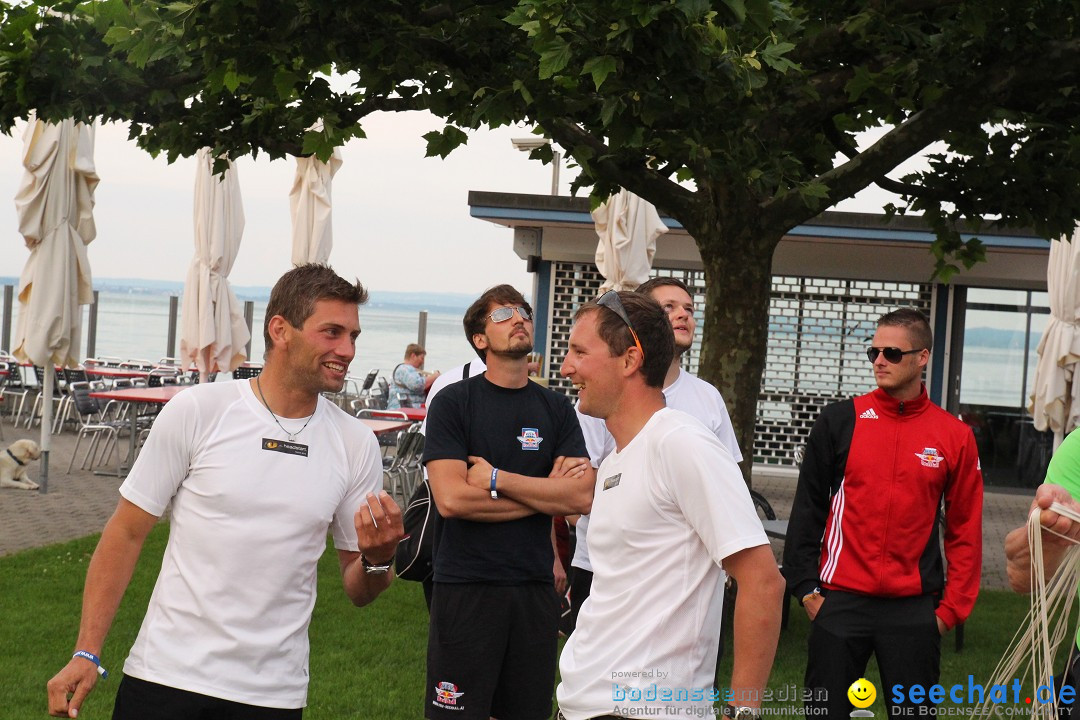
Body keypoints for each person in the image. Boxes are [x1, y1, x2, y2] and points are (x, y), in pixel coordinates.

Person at [46, 264, 404, 720]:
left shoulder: (356, 444)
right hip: (165, 678)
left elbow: (359, 588)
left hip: (272, 694)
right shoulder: (199, 411)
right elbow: (127, 532)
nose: (347, 350)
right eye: (331, 332)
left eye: (353, 335)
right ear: (281, 330)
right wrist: (87, 652)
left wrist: (377, 559)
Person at [556, 290, 783, 720]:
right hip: (583, 701)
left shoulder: (681, 442)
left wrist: (743, 712)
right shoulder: (617, 459)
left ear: (629, 360)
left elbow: (763, 582)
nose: (567, 367)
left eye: (579, 352)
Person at [783, 307, 983, 718]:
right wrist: (805, 589)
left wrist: (950, 612)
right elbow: (807, 511)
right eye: (873, 351)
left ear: (922, 358)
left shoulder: (954, 436)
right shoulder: (840, 420)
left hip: (913, 611)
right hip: (838, 603)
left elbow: (965, 529)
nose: (879, 361)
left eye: (892, 353)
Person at [422, 284, 594, 720]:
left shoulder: (556, 408)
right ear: (480, 339)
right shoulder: (453, 403)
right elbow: (452, 499)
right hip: (465, 586)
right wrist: (542, 495)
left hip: (534, 588)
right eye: (502, 315)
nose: (518, 318)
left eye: (522, 312)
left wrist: (497, 480)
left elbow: (580, 497)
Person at [568, 277, 742, 632]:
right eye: (669, 308)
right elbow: (576, 493)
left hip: (674, 595)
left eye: (690, 309)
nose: (682, 316)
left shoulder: (689, 429)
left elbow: (759, 571)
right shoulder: (604, 417)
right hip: (601, 567)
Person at [388, 343, 439, 408]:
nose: (423, 362)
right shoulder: (404, 369)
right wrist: (435, 376)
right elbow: (417, 385)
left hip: (411, 406)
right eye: (422, 358)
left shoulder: (408, 370)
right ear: (413, 356)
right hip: (402, 407)